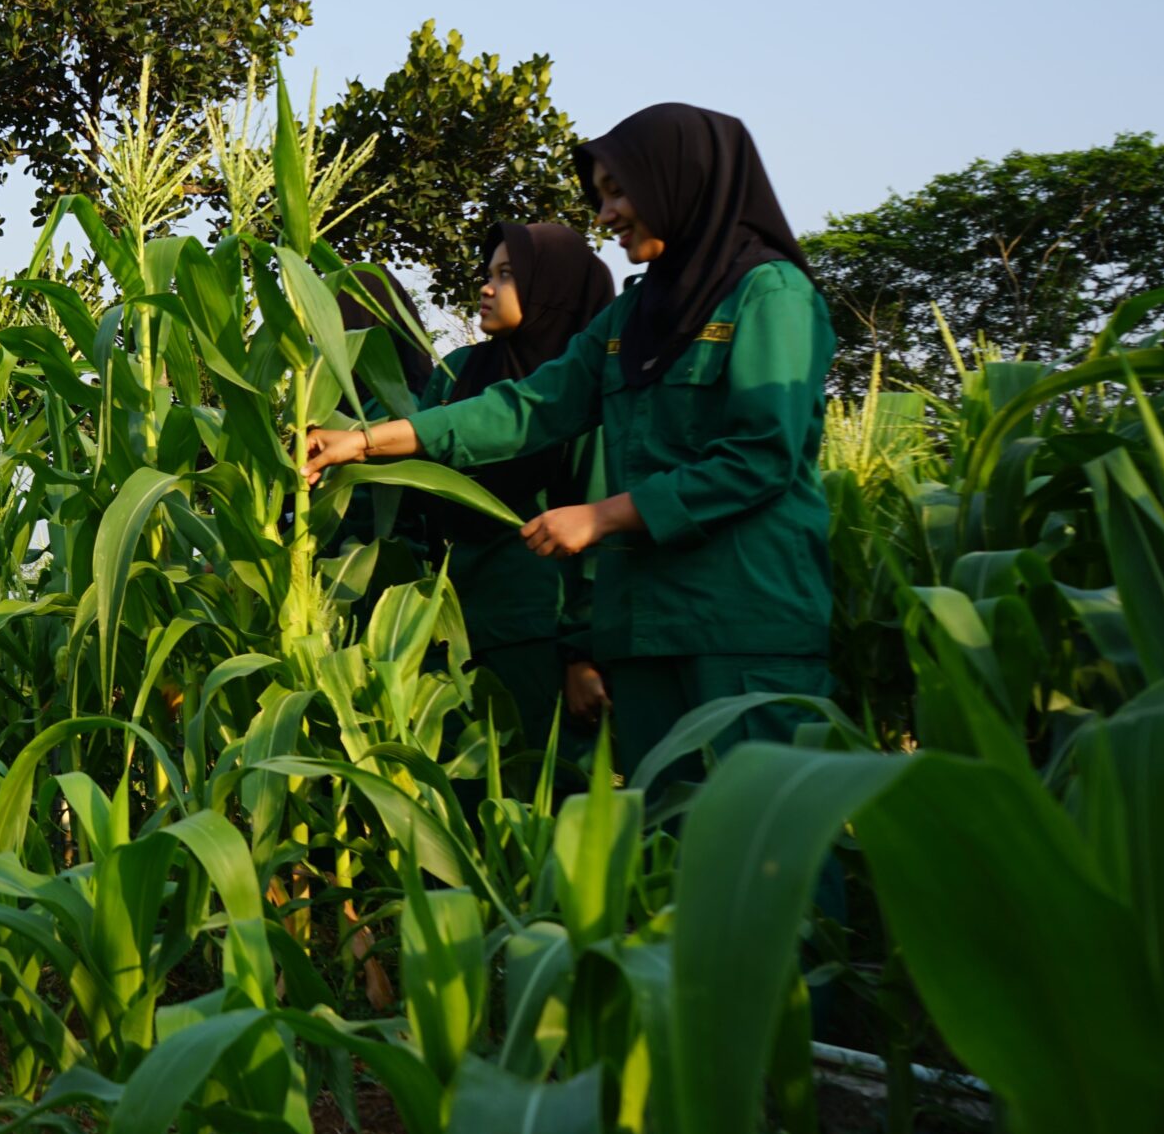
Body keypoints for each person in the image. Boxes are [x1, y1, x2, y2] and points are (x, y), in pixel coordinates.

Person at [304, 104, 834, 791]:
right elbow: (528, 407)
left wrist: (602, 517)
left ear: (682, 180)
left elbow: (763, 455)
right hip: (642, 627)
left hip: (743, 621)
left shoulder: (770, 295)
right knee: (665, 845)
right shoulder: (630, 319)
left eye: (619, 191)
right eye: (601, 195)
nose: (606, 214)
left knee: (772, 837)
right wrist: (363, 441)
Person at [408, 223, 614, 765]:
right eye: (487, 274)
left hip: (540, 630)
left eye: (507, 276)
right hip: (453, 629)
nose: (486, 288)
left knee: (546, 790)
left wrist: (582, 653)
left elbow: (596, 524)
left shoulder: (579, 389)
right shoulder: (456, 374)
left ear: (552, 289)